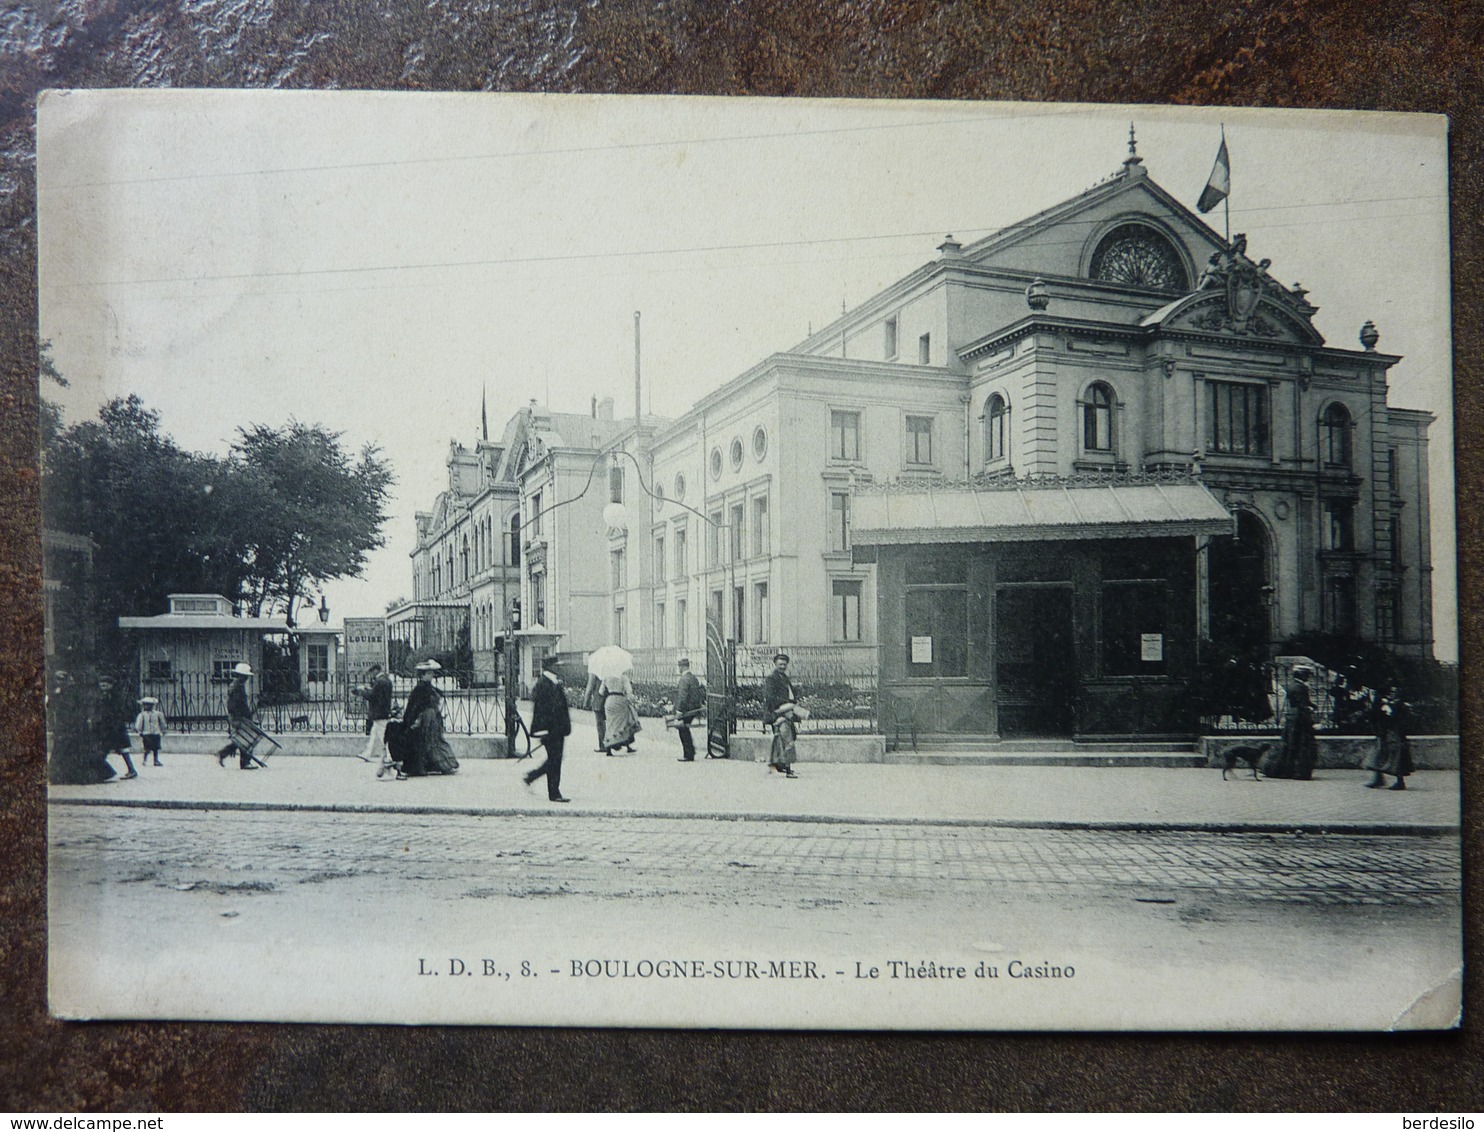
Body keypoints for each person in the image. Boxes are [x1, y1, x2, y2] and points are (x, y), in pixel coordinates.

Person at [396, 660, 459, 777]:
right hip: (423, 719)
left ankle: (440, 765)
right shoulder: (420, 688)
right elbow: (415, 706)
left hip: (431, 719)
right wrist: (411, 721)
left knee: (431, 742)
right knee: (425, 743)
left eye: (431, 673)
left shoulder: (428, 687)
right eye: (428, 673)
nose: (432, 675)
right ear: (422, 675)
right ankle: (426, 767)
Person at [524, 656, 571, 802]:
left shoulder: (552, 681)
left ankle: (532, 777)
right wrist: (545, 730)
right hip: (551, 729)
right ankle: (554, 793)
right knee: (554, 760)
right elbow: (542, 710)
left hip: (556, 729)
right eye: (557, 665)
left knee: (554, 759)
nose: (560, 667)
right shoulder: (545, 683)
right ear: (550, 667)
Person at [1260, 664, 1318, 780]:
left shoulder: (1292, 686)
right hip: (1299, 718)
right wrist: (1311, 718)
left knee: (1289, 745)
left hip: (1291, 717)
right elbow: (1302, 705)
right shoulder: (1302, 687)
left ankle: (1284, 770)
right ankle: (1298, 772)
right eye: (1307, 675)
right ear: (1301, 675)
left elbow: (1299, 702)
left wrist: (1311, 705)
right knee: (1301, 744)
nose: (1308, 677)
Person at [1364, 685, 1414, 791]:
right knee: (1378, 754)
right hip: (1385, 732)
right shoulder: (1385, 702)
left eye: (1395, 691)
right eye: (1391, 691)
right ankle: (1378, 778)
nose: (1392, 693)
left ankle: (1400, 782)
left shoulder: (1400, 705)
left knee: (1397, 757)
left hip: (1395, 734)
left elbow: (1401, 720)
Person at [763, 652, 803, 778]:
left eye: (784, 664)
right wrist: (787, 703)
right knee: (788, 740)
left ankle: (776, 765)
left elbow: (790, 694)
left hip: (786, 713)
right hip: (777, 714)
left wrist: (793, 703)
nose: (782, 666)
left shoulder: (784, 678)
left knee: (780, 739)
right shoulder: (771, 679)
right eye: (780, 664)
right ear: (775, 664)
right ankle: (788, 768)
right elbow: (769, 697)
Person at [216, 662, 262, 770]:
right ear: (241, 675)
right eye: (246, 676)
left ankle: (224, 754)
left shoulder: (235, 685)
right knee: (246, 738)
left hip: (236, 715)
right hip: (238, 716)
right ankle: (243, 761)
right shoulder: (238, 687)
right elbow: (240, 704)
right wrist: (247, 716)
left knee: (242, 738)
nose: (247, 678)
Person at [354, 663, 395, 774]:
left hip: (379, 712)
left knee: (382, 735)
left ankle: (391, 755)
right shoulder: (386, 680)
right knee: (374, 733)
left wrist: (362, 691)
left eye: (371, 673)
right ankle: (367, 753)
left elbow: (373, 696)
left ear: (376, 671)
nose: (371, 675)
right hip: (383, 711)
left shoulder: (380, 681)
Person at [96, 674, 138, 780]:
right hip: (108, 727)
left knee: (120, 749)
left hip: (116, 727)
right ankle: (102, 772)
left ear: (111, 685)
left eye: (104, 686)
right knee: (104, 749)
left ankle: (130, 770)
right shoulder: (103, 697)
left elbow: (118, 712)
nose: (102, 688)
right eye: (101, 686)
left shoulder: (115, 697)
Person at [673, 657, 705, 762]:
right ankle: (691, 751)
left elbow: (682, 696)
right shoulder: (693, 678)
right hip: (694, 709)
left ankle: (688, 754)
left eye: (680, 666)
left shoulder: (684, 679)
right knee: (685, 729)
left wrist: (679, 711)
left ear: (682, 667)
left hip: (687, 710)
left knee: (682, 729)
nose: (679, 669)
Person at [601, 670, 641, 755]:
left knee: (610, 724)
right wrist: (629, 699)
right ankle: (627, 745)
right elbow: (629, 691)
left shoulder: (606, 677)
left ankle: (608, 748)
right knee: (623, 724)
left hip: (609, 701)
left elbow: (600, 691)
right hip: (620, 700)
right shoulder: (623, 677)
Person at [133, 696, 167, 767]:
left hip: (156, 733)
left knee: (156, 748)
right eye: (145, 705)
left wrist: (163, 730)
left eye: (149, 705)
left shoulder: (158, 714)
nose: (147, 706)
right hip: (146, 733)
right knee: (147, 748)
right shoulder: (142, 714)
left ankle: (156, 760)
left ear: (153, 705)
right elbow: (139, 723)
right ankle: (144, 760)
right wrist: (138, 729)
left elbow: (162, 722)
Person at [585, 671, 608, 753]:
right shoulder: (611, 669)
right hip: (609, 699)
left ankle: (603, 745)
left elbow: (590, 687)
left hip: (598, 700)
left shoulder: (595, 671)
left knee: (600, 723)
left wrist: (586, 702)